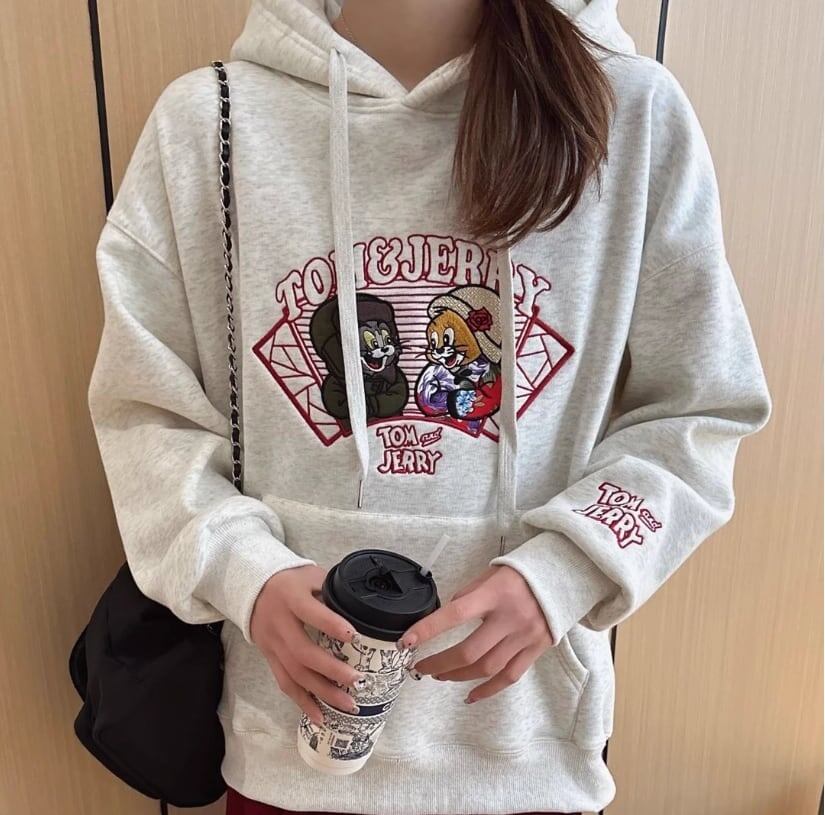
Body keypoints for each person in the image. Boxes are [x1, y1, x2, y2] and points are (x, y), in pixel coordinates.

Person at [86, 0, 773, 813]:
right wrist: (244, 574)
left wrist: (567, 569)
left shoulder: (627, 111)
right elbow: (146, 414)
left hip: (526, 750)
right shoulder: (210, 124)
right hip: (295, 750)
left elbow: (701, 410)